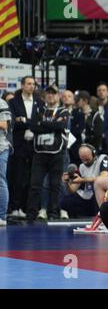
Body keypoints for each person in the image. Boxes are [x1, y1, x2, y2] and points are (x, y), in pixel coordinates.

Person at [26, 85, 69, 222]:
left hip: (57, 153)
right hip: (40, 152)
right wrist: (50, 126)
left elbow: (60, 126)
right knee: (35, 184)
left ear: (58, 96)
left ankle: (53, 212)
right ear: (45, 96)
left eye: (53, 93)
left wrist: (42, 124)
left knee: (55, 184)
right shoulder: (39, 110)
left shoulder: (63, 111)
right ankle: (31, 213)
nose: (51, 95)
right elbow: (33, 126)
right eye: (48, 93)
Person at [8, 76, 45, 218]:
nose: (31, 86)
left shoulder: (40, 102)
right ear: (22, 85)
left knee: (33, 178)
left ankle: (30, 208)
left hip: (35, 145)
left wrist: (24, 120)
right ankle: (16, 207)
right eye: (29, 84)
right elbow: (13, 123)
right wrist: (31, 123)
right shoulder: (13, 102)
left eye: (33, 84)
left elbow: (41, 123)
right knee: (18, 177)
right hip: (19, 144)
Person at [61, 144, 108, 218]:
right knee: (65, 202)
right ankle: (81, 216)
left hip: (103, 193)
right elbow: (73, 189)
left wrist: (82, 180)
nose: (85, 162)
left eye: (87, 159)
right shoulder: (82, 166)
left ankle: (102, 217)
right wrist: (67, 182)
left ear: (94, 154)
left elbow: (103, 177)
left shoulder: (102, 158)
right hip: (88, 195)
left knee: (97, 192)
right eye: (83, 160)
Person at [0, 97, 11, 226]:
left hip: (0, 148)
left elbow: (3, 124)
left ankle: (1, 217)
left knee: (1, 181)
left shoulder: (1, 103)